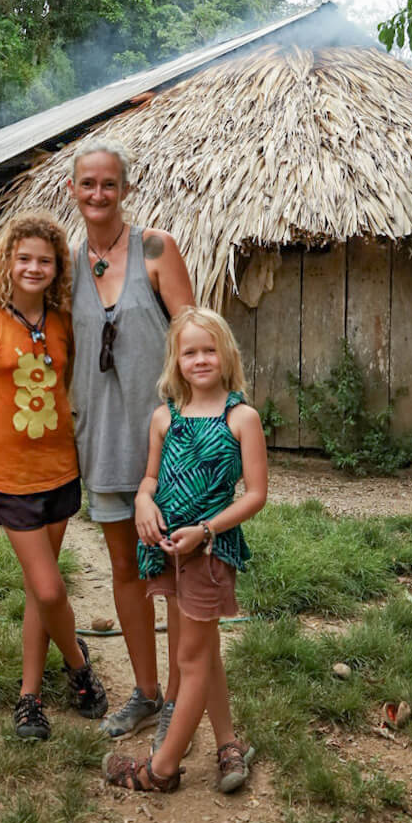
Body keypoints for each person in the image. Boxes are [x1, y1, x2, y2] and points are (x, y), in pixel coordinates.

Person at [103, 306, 267, 794]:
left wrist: (206, 530)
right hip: (165, 548)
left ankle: (161, 769)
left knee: (190, 659)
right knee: (201, 649)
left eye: (209, 349)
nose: (200, 360)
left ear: (227, 355)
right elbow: (150, 477)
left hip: (208, 552)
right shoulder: (164, 416)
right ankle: (228, 742)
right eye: (189, 351)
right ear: (176, 360)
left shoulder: (242, 418)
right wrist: (142, 500)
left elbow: (255, 494)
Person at [0, 211, 107, 740]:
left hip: (61, 472)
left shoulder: (63, 321)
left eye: (44, 260)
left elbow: (72, 388)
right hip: (12, 480)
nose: (34, 267)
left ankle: (29, 697)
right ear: (7, 261)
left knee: (36, 590)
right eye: (24, 258)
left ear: (56, 267)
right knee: (48, 588)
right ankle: (76, 663)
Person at [68, 136, 195, 741]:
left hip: (168, 445)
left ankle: (177, 696)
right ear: (74, 190)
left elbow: (196, 343)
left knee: (171, 571)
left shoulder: (155, 249)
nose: (98, 193)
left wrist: (201, 426)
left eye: (109, 184)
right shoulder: (66, 265)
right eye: (87, 184)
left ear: (125, 189)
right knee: (124, 568)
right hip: (103, 441)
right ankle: (144, 692)